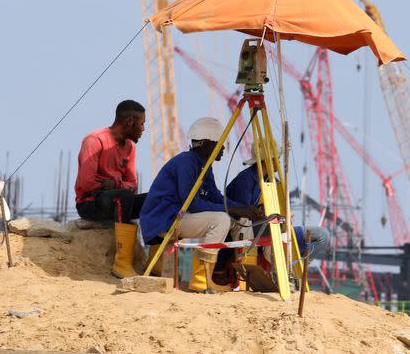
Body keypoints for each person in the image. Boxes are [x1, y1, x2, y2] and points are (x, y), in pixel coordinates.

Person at [139, 117, 232, 294]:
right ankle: (201, 280)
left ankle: (224, 274)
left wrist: (239, 208)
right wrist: (230, 209)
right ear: (206, 144)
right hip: (165, 220)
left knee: (232, 219)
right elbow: (193, 203)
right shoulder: (186, 163)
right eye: (219, 144)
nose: (223, 148)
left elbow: (215, 196)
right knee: (221, 220)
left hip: (175, 216)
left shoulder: (204, 165)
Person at [75, 100, 147, 279]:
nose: (144, 129)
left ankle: (156, 264)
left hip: (116, 197)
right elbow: (87, 183)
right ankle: (122, 265)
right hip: (89, 203)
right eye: (142, 123)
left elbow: (132, 184)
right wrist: (118, 186)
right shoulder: (95, 140)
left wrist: (112, 183)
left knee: (155, 199)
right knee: (122, 197)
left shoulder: (130, 146)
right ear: (130, 121)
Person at [226, 148, 330, 265]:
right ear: (267, 160)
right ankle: (282, 267)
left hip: (275, 228)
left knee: (322, 235)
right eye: (277, 158)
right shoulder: (245, 179)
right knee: (270, 227)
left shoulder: (274, 182)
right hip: (254, 229)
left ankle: (294, 269)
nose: (279, 162)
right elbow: (243, 215)